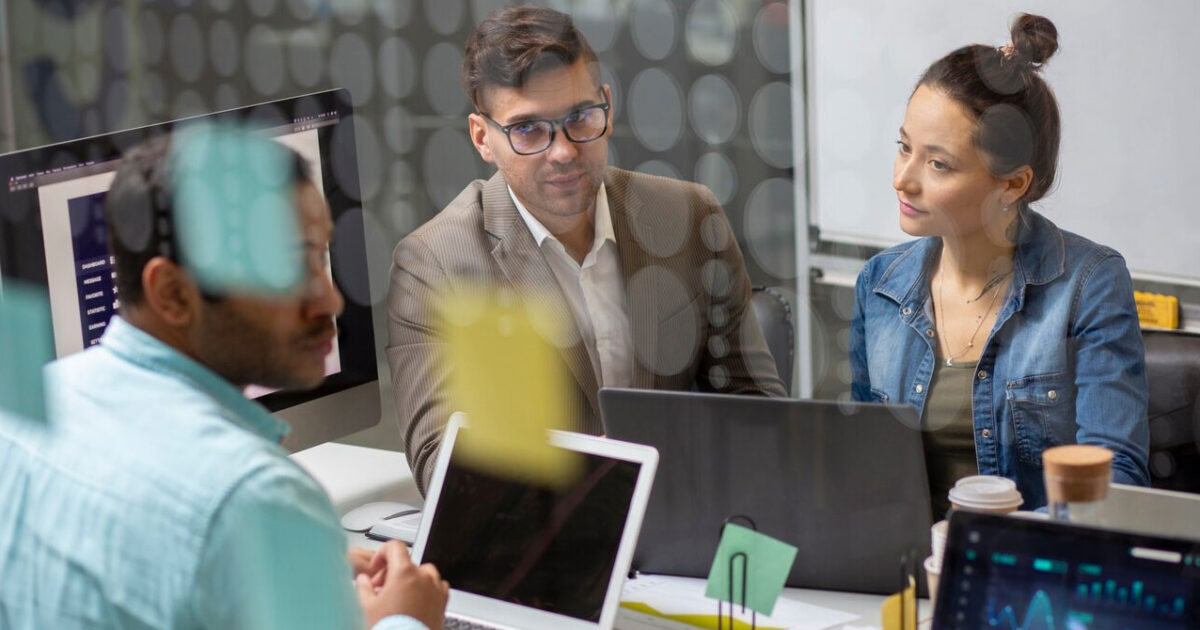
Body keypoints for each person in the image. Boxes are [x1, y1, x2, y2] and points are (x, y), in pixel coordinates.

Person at [0, 133, 448, 629]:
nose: (332, 301)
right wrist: (404, 619)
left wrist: (271, 562)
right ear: (173, 293)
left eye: (320, 258)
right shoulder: (254, 497)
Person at [387, 4, 785, 493]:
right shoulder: (436, 266)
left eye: (580, 117)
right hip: (547, 530)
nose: (563, 151)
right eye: (527, 129)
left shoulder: (688, 218)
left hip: (683, 517)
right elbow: (443, 469)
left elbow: (759, 415)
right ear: (482, 138)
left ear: (608, 107)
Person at [849, 14, 1149, 514]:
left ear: (1012, 184)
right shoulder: (879, 284)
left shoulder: (1089, 284)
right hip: (906, 558)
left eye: (938, 163)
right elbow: (861, 467)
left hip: (1028, 558)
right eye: (904, 148)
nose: (903, 179)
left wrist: (991, 545)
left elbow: (1113, 482)